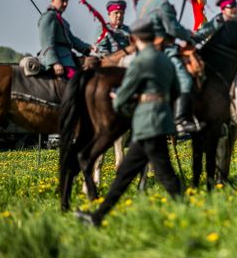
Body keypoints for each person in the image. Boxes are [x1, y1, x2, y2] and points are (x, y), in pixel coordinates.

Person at [75, 18, 182, 227]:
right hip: (159, 121)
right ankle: (97, 216)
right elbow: (176, 91)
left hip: (146, 124)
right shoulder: (165, 61)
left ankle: (188, 215)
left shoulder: (139, 62)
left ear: (135, 38)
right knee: (124, 175)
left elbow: (122, 98)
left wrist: (122, 101)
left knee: (165, 175)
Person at [136, 0, 201, 134]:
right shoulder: (161, 4)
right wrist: (188, 36)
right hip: (161, 49)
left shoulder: (142, 2)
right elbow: (172, 29)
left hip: (141, 49)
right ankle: (180, 120)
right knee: (185, 79)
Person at [38, 0, 93, 79]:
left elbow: (73, 40)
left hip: (68, 59)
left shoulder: (63, 21)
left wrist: (90, 49)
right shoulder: (49, 16)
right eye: (62, 0)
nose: (65, 4)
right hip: (58, 59)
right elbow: (46, 43)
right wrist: (55, 62)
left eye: (67, 0)